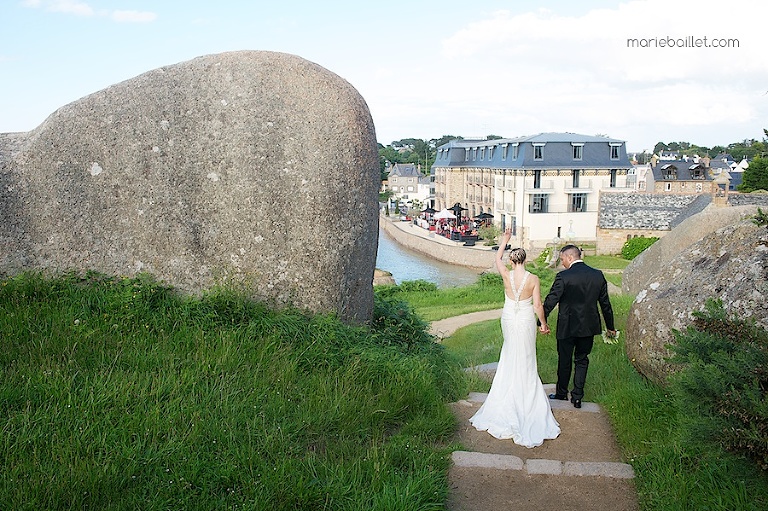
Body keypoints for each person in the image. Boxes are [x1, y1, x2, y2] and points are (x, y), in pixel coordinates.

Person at [469, 228, 560, 447]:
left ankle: (506, 394)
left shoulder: (505, 274)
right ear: (525, 260)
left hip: (509, 317)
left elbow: (496, 258)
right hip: (526, 318)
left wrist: (504, 241)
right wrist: (544, 324)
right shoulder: (534, 278)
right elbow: (538, 305)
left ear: (512, 260)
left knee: (510, 352)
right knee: (527, 357)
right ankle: (526, 398)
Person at [543, 244, 616, 409]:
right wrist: (610, 326)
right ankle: (577, 397)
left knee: (565, 360)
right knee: (582, 359)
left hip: (567, 326)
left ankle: (561, 393)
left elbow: (551, 300)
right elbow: (605, 304)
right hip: (588, 326)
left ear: (570, 257)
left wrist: (542, 320)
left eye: (562, 259)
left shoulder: (563, 276)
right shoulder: (597, 275)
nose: (562, 263)